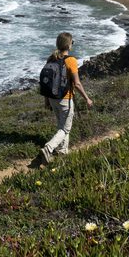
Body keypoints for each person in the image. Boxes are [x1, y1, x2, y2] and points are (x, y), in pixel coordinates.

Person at [39, 32, 93, 164]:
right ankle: (49, 148)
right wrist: (87, 98)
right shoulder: (71, 61)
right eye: (72, 42)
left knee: (61, 125)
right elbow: (77, 83)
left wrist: (46, 101)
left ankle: (63, 151)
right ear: (68, 45)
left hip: (52, 98)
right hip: (65, 99)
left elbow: (46, 82)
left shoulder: (51, 59)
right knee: (65, 129)